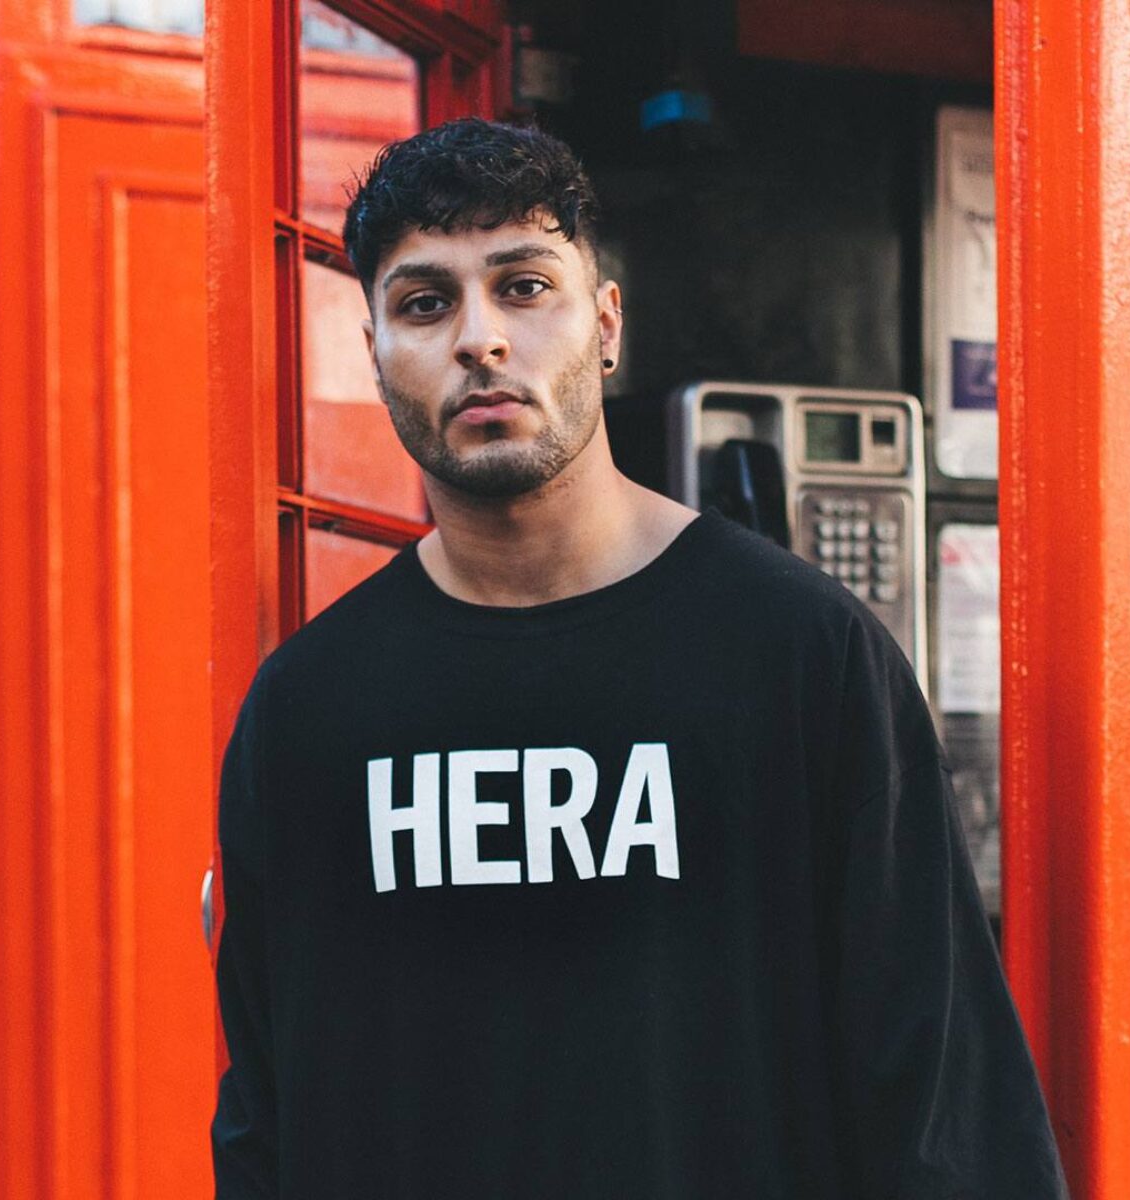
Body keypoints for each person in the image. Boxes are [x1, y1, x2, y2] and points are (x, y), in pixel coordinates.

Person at [210, 116, 1069, 1198]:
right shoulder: (309, 709)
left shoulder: (800, 656)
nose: (481, 339)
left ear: (607, 324)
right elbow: (266, 1115)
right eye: (425, 303)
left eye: (524, 286)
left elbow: (943, 1102)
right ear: (375, 351)